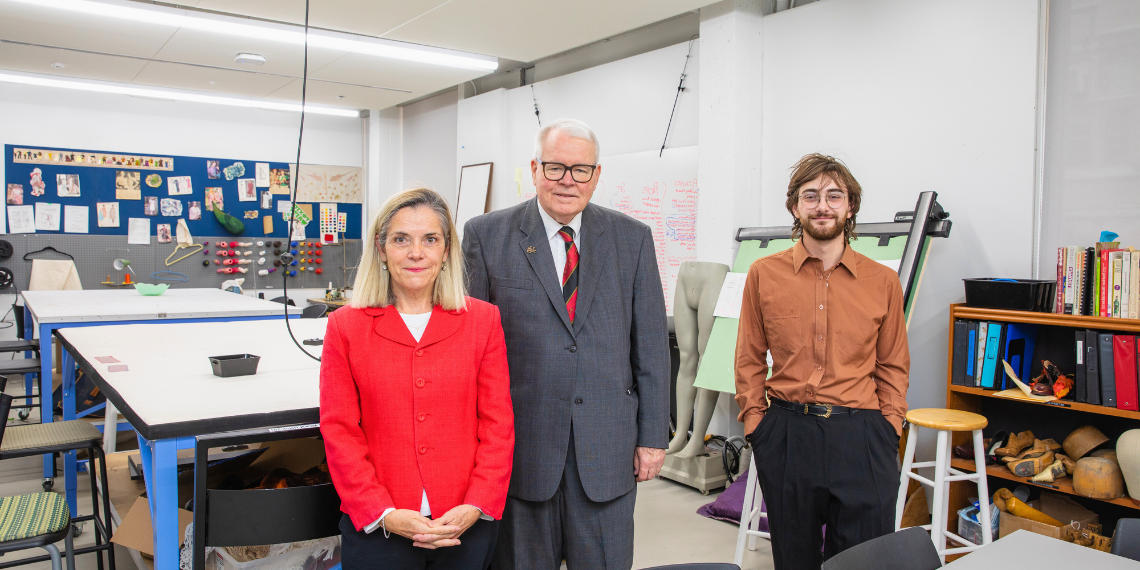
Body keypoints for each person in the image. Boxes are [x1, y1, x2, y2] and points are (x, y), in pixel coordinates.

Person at [463, 118, 670, 570]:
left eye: (580, 170)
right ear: (535, 169)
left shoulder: (632, 238)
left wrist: (653, 437)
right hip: (522, 451)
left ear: (597, 176)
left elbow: (651, 346)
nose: (567, 181)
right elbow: (470, 349)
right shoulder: (486, 235)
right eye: (556, 167)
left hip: (608, 450)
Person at [321, 188, 514, 569]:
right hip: (380, 529)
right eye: (400, 240)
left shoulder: (483, 321)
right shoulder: (346, 327)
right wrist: (383, 512)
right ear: (381, 249)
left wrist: (476, 504)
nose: (416, 253)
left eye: (430, 239)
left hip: (463, 525)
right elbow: (340, 430)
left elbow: (498, 424)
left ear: (446, 251)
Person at [734, 153, 910, 570]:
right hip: (788, 434)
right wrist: (757, 423)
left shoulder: (883, 281)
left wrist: (890, 426)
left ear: (850, 206)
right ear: (795, 206)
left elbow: (893, 365)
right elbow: (749, 357)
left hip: (864, 435)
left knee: (862, 562)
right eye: (810, 196)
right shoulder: (764, 274)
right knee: (794, 560)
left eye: (834, 195)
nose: (822, 205)